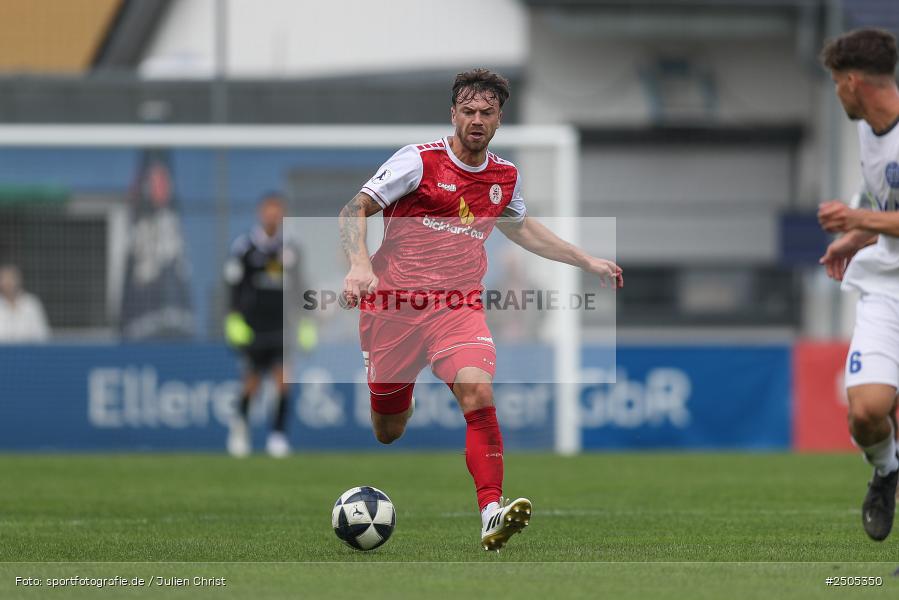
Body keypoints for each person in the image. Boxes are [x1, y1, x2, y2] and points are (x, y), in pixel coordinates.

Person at [338, 69, 623, 551]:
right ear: (453, 114)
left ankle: (491, 510)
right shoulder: (419, 162)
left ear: (498, 119)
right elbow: (354, 209)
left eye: (485, 112)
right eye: (467, 111)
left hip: (457, 306)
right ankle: (402, 395)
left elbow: (523, 229)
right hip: (393, 310)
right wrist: (359, 265)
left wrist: (584, 259)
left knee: (477, 391)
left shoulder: (503, 177)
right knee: (389, 429)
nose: (476, 120)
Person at [817, 28, 899, 541]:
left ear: (852, 82)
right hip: (887, 286)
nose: (835, 93)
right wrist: (854, 234)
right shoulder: (868, 129)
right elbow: (880, 197)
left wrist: (858, 221)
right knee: (867, 413)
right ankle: (886, 469)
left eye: (834, 83)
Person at [224, 192, 308, 458]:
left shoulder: (292, 248)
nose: (273, 215)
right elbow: (234, 286)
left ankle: (278, 436)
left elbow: (300, 287)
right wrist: (234, 318)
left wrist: (306, 320)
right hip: (253, 325)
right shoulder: (245, 247)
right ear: (261, 213)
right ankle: (240, 428)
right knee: (251, 382)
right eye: (269, 210)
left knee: (283, 381)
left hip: (282, 325)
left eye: (278, 210)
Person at [0, 264, 50, 343]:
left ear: (18, 280)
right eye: (4, 279)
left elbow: (42, 335)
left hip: (30, 353)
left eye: (11, 278)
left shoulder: (32, 304)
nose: (8, 283)